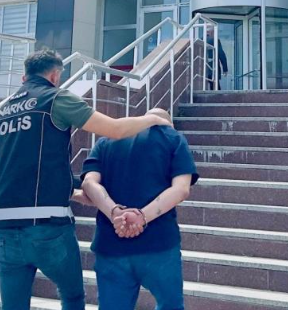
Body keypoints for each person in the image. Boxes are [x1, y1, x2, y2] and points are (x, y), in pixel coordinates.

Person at [0, 49, 170, 310]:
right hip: (47, 225)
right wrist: (153, 119)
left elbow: (20, 166)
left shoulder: (1, 113)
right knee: (72, 296)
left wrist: (71, 191)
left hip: (2, 227)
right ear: (55, 75)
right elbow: (115, 129)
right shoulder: (54, 98)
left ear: (23, 78)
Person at [81, 108, 199, 310]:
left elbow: (88, 184)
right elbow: (181, 189)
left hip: (111, 246)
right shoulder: (173, 138)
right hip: (159, 245)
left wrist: (115, 213)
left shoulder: (105, 142)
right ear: (167, 123)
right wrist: (141, 217)